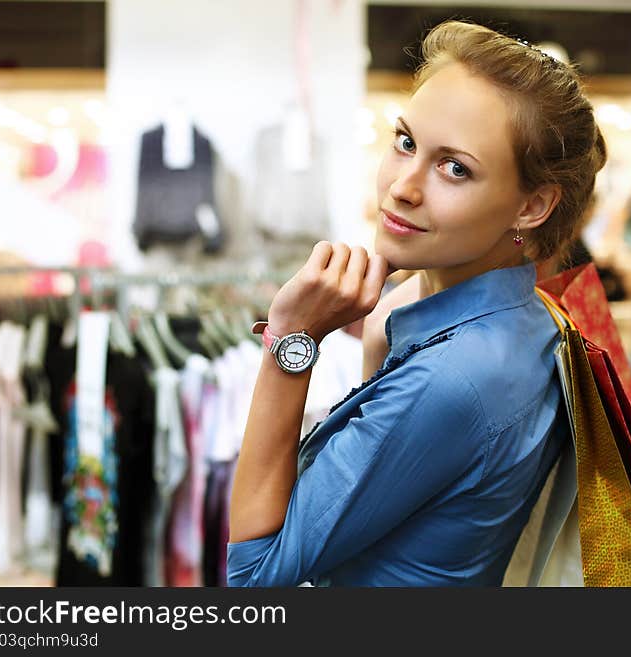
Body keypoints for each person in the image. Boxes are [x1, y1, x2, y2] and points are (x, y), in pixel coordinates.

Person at [227, 20, 607, 586]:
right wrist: (384, 331)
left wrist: (292, 340)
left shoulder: (453, 378)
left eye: (455, 168)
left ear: (532, 207)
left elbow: (255, 578)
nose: (403, 185)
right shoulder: (524, 319)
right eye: (405, 142)